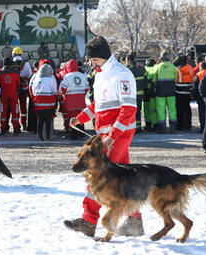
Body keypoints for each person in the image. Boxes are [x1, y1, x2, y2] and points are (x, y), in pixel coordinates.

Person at [64, 36, 143, 238]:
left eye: (93, 59)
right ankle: (135, 221)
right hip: (107, 135)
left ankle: (88, 221)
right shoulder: (100, 75)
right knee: (124, 177)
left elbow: (128, 111)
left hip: (118, 135)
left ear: (102, 56)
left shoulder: (121, 75)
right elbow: (97, 106)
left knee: (97, 175)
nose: (91, 63)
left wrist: (112, 136)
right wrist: (80, 118)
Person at [58, 59, 89, 139]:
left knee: (72, 118)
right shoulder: (82, 75)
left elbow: (63, 89)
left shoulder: (67, 76)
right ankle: (82, 135)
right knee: (81, 117)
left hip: (71, 101)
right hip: (81, 101)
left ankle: (74, 136)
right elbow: (86, 88)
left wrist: (65, 95)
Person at [150, 51, 177, 133]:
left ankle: (162, 128)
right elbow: (175, 79)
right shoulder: (172, 67)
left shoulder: (158, 67)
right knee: (172, 109)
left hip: (160, 92)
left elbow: (153, 78)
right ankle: (173, 127)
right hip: (171, 91)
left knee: (161, 110)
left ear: (161, 57)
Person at [30, 63, 58, 141]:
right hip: (49, 103)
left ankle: (40, 136)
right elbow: (54, 91)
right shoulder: (51, 79)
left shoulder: (37, 78)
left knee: (40, 120)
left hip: (38, 103)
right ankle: (48, 136)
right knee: (48, 120)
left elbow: (33, 90)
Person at [0, 56, 20, 136]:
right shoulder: (16, 72)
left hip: (3, 95)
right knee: (15, 112)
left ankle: (3, 129)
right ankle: (16, 130)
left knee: (3, 113)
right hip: (14, 95)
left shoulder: (0, 73)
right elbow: (18, 84)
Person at [12, 47, 32, 130]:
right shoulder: (26, 64)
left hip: (14, 88)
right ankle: (23, 123)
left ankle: (16, 126)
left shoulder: (11, 63)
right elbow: (29, 76)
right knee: (23, 107)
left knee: (14, 107)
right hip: (23, 88)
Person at [126, 53, 146, 132]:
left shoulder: (128, 70)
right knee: (138, 111)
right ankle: (138, 127)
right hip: (140, 94)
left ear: (128, 60)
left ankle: (134, 128)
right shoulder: (141, 68)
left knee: (132, 112)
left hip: (132, 95)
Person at [175, 55, 194, 131]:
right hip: (188, 91)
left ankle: (180, 125)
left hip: (179, 91)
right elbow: (192, 78)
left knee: (179, 109)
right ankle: (188, 125)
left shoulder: (177, 69)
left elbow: (175, 79)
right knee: (187, 108)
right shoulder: (190, 67)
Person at [192, 62, 206, 133]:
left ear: (201, 67)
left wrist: (195, 97)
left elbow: (195, 87)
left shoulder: (198, 74)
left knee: (202, 113)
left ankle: (203, 128)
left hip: (201, 97)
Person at [143, 58, 157, 131]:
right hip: (153, 92)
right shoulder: (155, 69)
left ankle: (148, 125)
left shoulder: (143, 69)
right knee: (153, 109)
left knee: (145, 109)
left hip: (145, 92)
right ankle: (155, 124)